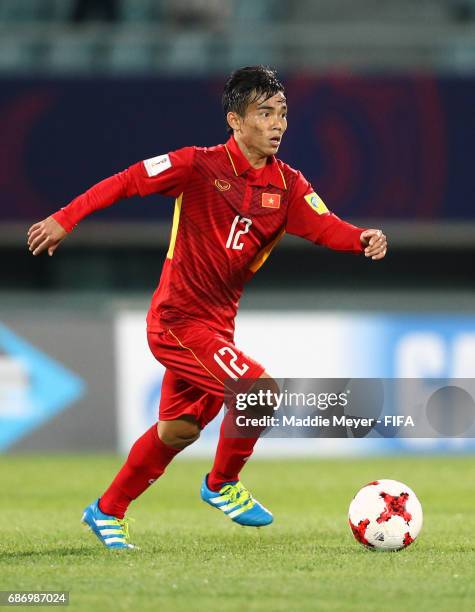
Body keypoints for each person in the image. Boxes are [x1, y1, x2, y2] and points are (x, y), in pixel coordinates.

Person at [27, 66, 387, 550]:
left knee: (177, 431)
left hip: (216, 330)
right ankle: (221, 485)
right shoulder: (196, 165)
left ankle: (107, 510)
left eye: (282, 113)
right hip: (176, 322)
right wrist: (65, 218)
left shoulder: (288, 185)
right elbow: (127, 181)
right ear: (236, 122)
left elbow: (328, 227)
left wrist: (362, 238)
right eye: (265, 114)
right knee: (256, 389)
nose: (277, 124)